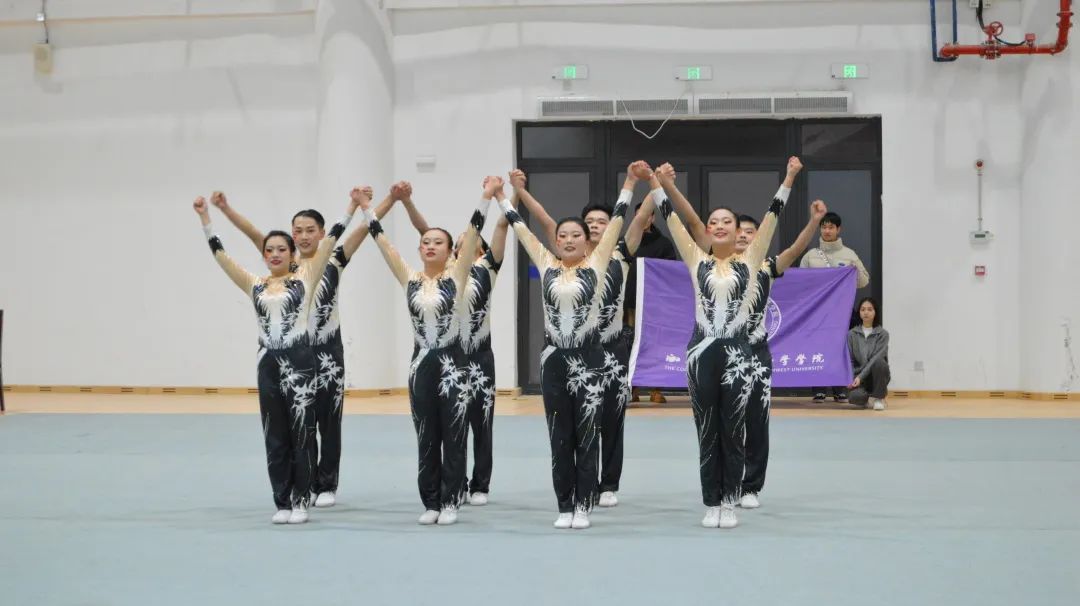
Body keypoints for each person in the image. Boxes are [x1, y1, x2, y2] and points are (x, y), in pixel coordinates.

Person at [208, 191, 394, 508]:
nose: (304, 236)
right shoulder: (286, 262)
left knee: (329, 421)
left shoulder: (333, 258)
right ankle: (301, 482)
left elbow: (363, 228)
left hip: (328, 352)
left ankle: (327, 483)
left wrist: (389, 199)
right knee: (299, 422)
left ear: (322, 234)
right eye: (298, 231)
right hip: (293, 354)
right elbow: (254, 233)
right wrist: (226, 209)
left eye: (310, 230)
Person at [498, 163, 652, 529]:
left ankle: (584, 504)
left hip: (591, 358)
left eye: (576, 235)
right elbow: (521, 227)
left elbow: (618, 220)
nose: (568, 240)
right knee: (559, 436)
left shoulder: (599, 263)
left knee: (587, 433)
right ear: (556, 241)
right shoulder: (546, 264)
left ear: (586, 242)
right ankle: (564, 506)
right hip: (554, 359)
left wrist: (631, 182)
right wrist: (503, 196)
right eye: (563, 235)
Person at [653, 157, 802, 529]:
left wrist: (788, 178)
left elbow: (772, 216)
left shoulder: (751, 261)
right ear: (708, 231)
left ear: (738, 232)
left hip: (738, 354)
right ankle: (711, 502)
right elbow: (673, 220)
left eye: (727, 222)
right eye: (714, 222)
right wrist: (656, 184)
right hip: (701, 352)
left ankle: (730, 501)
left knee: (734, 429)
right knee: (707, 430)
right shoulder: (697, 260)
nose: (719, 226)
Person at [357, 177, 491, 526]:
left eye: (438, 242)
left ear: (451, 252)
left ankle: (451, 500)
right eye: (425, 242)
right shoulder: (410, 277)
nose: (430, 246)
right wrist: (367, 208)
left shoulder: (457, 276)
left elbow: (473, 233)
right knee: (426, 436)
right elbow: (382, 241)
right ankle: (430, 501)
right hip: (421, 366)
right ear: (419, 250)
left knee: (454, 434)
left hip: (454, 365)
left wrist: (486, 196)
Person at [390, 180, 511, 506]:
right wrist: (406, 202)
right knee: (448, 426)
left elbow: (502, 225)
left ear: (480, 251)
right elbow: (424, 231)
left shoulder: (486, 271)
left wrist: (506, 195)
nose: (459, 249)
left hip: (478, 357)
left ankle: (480, 484)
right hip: (444, 357)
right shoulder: (443, 276)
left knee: (480, 423)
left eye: (466, 244)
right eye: (455, 246)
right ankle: (451, 485)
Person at [725, 200, 827, 509]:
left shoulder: (767, 266)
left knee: (756, 421)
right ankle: (728, 482)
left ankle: (751, 487)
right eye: (740, 231)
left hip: (756, 355)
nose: (744, 235)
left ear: (759, 237)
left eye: (751, 232)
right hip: (725, 354)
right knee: (727, 422)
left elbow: (795, 250)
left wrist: (814, 221)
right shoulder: (716, 266)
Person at [799, 211, 870, 404]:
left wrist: (853, 270)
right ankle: (819, 389)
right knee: (818, 348)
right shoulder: (810, 256)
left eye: (831, 227)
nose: (827, 230)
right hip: (817, 313)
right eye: (824, 227)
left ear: (838, 229)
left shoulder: (849, 255)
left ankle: (840, 389)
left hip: (841, 312)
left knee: (840, 349)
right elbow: (801, 283)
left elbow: (864, 281)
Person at [624, 201, 678, 406]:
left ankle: (656, 388)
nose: (645, 218)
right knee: (632, 343)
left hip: (655, 304)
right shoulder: (628, 242)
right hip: (631, 302)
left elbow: (670, 272)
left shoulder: (664, 244)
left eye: (648, 214)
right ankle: (633, 388)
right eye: (640, 214)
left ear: (653, 217)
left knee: (655, 344)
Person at [847, 297, 890, 411]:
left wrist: (860, 377)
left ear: (875, 312)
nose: (866, 312)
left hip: (877, 375)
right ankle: (865, 398)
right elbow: (849, 359)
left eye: (870, 309)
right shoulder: (851, 334)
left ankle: (879, 398)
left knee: (879, 362)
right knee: (855, 398)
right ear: (859, 312)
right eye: (863, 309)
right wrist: (850, 378)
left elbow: (875, 359)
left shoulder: (883, 334)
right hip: (859, 377)